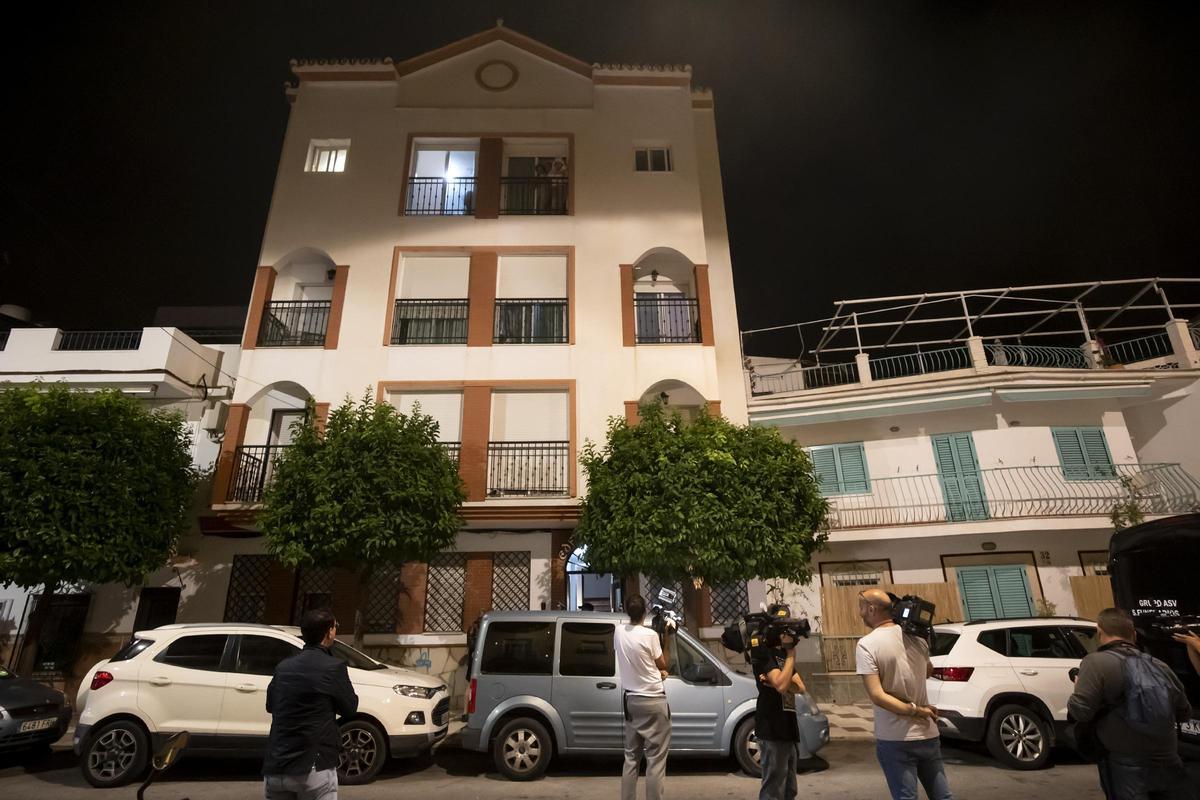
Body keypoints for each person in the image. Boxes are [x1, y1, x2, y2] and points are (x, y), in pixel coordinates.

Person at [1069, 607, 1193, 799]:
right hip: (1169, 760)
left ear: (1099, 632)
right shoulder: (1159, 665)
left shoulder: (1095, 662)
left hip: (1125, 764)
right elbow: (1184, 712)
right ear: (1133, 634)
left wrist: (1078, 689)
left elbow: (1081, 712)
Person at [855, 589, 953, 800]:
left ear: (871, 609)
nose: (860, 612)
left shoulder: (866, 645)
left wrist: (915, 711)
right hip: (928, 734)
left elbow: (877, 695)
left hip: (895, 737)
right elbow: (927, 671)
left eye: (861, 607)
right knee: (943, 797)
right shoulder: (917, 639)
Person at [263, 609, 359, 800]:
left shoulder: (284, 667)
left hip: (277, 766)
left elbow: (271, 705)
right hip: (313, 766)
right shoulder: (333, 667)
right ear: (329, 632)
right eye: (335, 627)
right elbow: (350, 708)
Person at [614, 593, 671, 800]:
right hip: (654, 700)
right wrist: (667, 637)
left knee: (631, 758)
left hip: (632, 701)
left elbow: (637, 662)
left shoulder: (618, 632)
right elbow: (663, 664)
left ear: (626, 611)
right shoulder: (650, 636)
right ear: (645, 611)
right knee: (655, 760)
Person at [752, 609, 808, 800]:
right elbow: (783, 686)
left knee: (789, 790)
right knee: (773, 790)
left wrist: (781, 681)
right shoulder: (764, 654)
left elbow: (800, 687)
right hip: (772, 729)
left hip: (788, 729)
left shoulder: (782, 655)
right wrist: (791, 655)